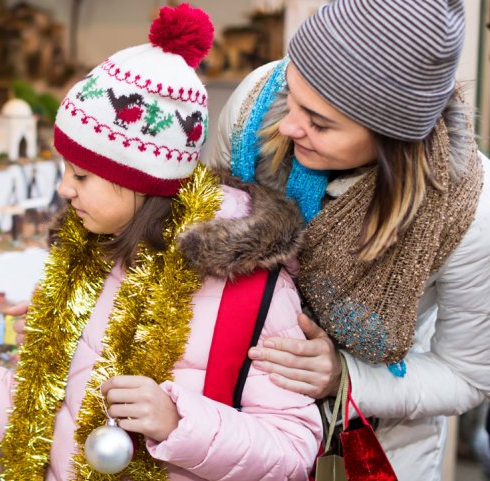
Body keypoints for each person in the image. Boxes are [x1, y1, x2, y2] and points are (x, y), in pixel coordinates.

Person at [0, 5, 321, 480]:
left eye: (82, 175)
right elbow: (36, 413)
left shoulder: (253, 288)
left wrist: (178, 423)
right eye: (65, 169)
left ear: (143, 182)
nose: (65, 188)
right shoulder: (90, 266)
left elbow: (293, 452)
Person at [202, 0, 490, 479]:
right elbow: (209, 226)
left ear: (392, 137)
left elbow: (466, 375)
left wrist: (346, 376)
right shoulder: (259, 101)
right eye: (292, 93)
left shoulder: (468, 210)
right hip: (234, 428)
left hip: (375, 449)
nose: (290, 124)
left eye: (320, 123)